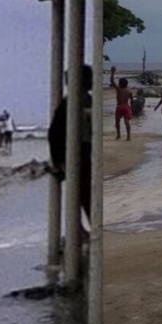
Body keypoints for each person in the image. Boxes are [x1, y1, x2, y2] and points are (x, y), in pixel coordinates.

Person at [49, 65, 92, 229]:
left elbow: (54, 135)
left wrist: (57, 161)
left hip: (79, 154)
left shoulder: (71, 103)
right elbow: (55, 134)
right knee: (85, 196)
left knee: (83, 196)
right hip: (82, 154)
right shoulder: (74, 104)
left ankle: (83, 229)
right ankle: (85, 229)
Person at [110, 66, 134, 141]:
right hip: (126, 106)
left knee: (117, 121)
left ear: (120, 84)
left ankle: (119, 135)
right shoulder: (129, 91)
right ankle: (128, 136)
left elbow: (112, 81)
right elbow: (132, 101)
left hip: (120, 106)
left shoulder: (119, 90)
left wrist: (112, 72)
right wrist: (132, 109)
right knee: (127, 122)